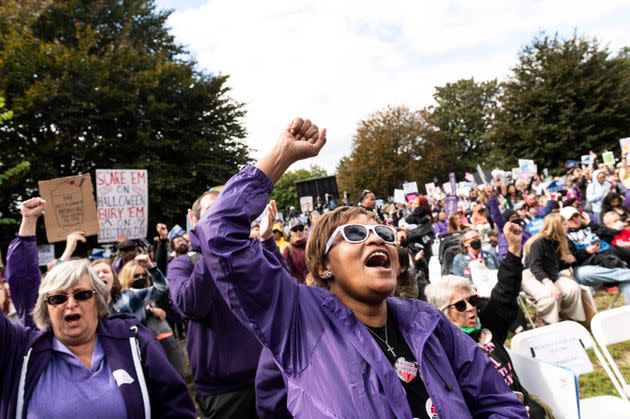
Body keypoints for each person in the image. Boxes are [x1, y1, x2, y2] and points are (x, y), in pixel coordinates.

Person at [195, 117, 527, 418]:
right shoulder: (298, 322)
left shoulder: (427, 321)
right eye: (354, 234)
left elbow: (497, 401)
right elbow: (219, 233)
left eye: (382, 232)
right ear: (325, 265)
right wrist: (281, 155)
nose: (376, 240)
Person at [2, 197, 195, 418]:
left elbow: (175, 407)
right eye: (58, 299)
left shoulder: (134, 340)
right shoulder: (20, 351)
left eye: (83, 295)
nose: (71, 304)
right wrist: (28, 222)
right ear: (45, 307)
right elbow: (22, 281)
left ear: (99, 301)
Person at [425, 221, 549, 418]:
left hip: (528, 409)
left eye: (472, 300)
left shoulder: (486, 327)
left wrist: (514, 249)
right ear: (443, 313)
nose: (470, 308)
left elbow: (504, 293)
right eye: (460, 305)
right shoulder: (445, 351)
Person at [166, 189, 265, 419]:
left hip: (268, 377)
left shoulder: (248, 253)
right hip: (223, 392)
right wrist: (214, 250)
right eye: (213, 212)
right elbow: (190, 306)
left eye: (226, 210)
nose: (221, 217)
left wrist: (266, 243)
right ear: (194, 219)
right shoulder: (183, 264)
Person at [521, 213, 590, 324]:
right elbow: (535, 267)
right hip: (532, 276)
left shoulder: (558, 242)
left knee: (573, 289)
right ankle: (548, 323)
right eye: (565, 224)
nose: (568, 226)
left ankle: (572, 321)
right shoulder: (539, 242)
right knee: (550, 296)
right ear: (557, 226)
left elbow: (555, 266)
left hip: (550, 274)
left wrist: (569, 261)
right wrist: (549, 284)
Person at [282, 217, 308, 284]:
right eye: (295, 229)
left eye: (300, 229)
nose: (298, 232)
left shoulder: (311, 244)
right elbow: (288, 273)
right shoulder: (288, 250)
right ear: (290, 232)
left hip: (318, 284)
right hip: (302, 287)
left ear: (304, 230)